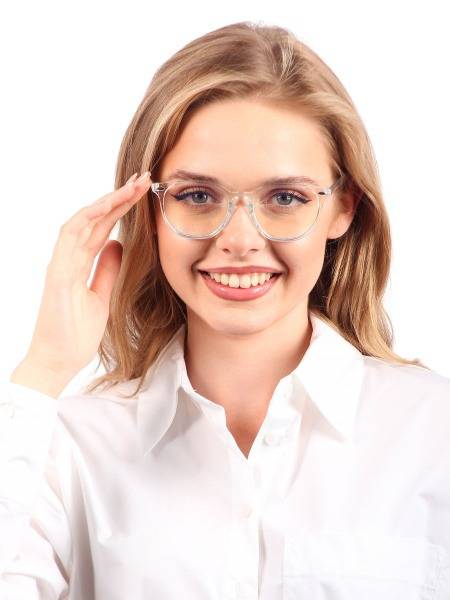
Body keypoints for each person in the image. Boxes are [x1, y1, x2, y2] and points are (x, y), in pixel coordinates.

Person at [2, 20, 450, 600]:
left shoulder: (432, 432)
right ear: (148, 210)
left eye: (285, 197)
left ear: (344, 209)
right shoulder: (71, 447)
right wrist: (44, 370)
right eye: (197, 195)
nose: (239, 239)